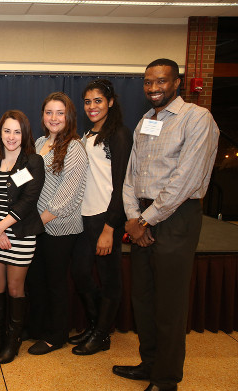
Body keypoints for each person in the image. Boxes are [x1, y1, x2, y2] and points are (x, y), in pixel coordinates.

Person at [114, 59, 219, 391]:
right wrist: (134, 219)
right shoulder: (146, 120)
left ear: (177, 83)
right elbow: (131, 176)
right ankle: (149, 364)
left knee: (169, 303)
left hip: (177, 218)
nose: (153, 88)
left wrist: (144, 220)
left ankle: (166, 379)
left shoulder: (197, 119)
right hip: (143, 218)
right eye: (147, 82)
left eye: (160, 82)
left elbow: (185, 180)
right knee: (143, 298)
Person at [69, 79, 133, 356]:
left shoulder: (118, 134)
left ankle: (102, 334)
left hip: (106, 216)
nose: (92, 106)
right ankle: (96, 325)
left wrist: (110, 227)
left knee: (109, 278)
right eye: (87, 101)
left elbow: (122, 184)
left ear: (110, 102)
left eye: (98, 100)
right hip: (83, 215)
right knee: (80, 272)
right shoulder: (87, 134)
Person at [0, 110, 45, 364]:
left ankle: (13, 340)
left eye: (17, 131)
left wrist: (0, 228)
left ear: (25, 134)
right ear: (0, 133)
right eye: (7, 130)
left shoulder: (33, 162)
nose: (12, 136)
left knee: (16, 289)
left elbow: (29, 201)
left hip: (20, 235)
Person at [26, 92, 88, 355]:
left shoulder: (74, 147)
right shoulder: (40, 141)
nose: (53, 118)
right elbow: (25, 178)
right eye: (49, 112)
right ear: (42, 116)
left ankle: (57, 335)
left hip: (59, 228)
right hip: (37, 227)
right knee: (36, 280)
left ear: (69, 116)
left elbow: (68, 197)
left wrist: (33, 223)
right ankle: (39, 328)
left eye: (59, 113)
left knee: (55, 282)